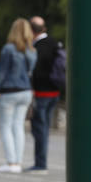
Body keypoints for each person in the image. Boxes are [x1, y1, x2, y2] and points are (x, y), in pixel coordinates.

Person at [0, 18, 36, 172]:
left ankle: (11, 163)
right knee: (19, 126)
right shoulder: (32, 51)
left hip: (9, 92)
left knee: (6, 126)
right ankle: (18, 162)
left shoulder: (8, 49)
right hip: (26, 91)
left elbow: (2, 73)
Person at [27, 16, 61, 172]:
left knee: (39, 129)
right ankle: (41, 161)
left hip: (41, 93)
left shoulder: (38, 47)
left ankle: (40, 163)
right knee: (44, 127)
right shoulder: (55, 43)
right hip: (55, 91)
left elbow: (37, 71)